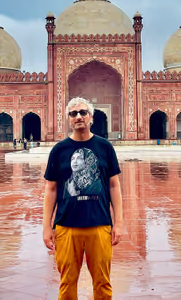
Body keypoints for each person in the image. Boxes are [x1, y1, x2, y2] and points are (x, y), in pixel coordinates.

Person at [43, 97, 124, 300]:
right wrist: (46, 226)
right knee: (67, 283)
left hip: (100, 224)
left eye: (83, 112)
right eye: (73, 113)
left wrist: (119, 222)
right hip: (66, 226)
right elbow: (51, 189)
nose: (78, 116)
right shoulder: (59, 150)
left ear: (91, 117)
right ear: (68, 119)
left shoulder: (104, 147)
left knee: (103, 282)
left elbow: (114, 186)